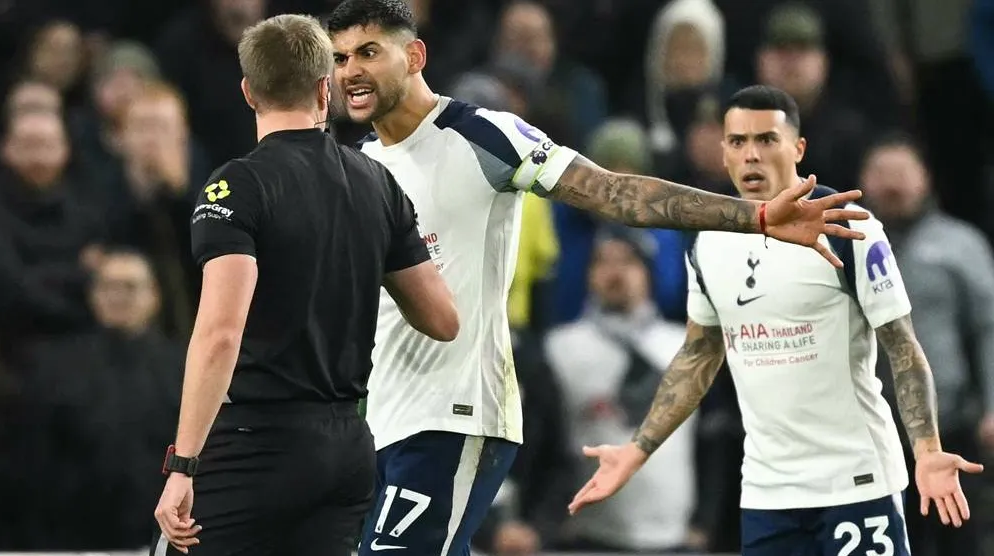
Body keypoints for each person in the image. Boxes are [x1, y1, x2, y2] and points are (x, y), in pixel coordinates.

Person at [325, 3, 869, 555]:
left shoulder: (480, 135)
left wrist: (752, 216)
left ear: (415, 55)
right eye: (341, 57)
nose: (351, 71)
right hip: (379, 423)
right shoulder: (361, 165)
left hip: (453, 414)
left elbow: (616, 193)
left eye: (369, 52)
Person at [567, 85, 986, 556]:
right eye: (738, 142)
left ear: (798, 148)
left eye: (766, 140)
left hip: (856, 480)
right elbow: (700, 353)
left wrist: (927, 451)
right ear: (723, 151)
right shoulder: (706, 240)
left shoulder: (849, 225)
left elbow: (902, 343)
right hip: (768, 493)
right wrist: (637, 449)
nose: (751, 156)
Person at [151, 14, 458, 556]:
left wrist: (183, 465)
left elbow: (221, 334)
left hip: (257, 446)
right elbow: (442, 319)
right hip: (345, 452)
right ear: (325, 87)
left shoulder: (236, 187)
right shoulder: (377, 183)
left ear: (248, 91)